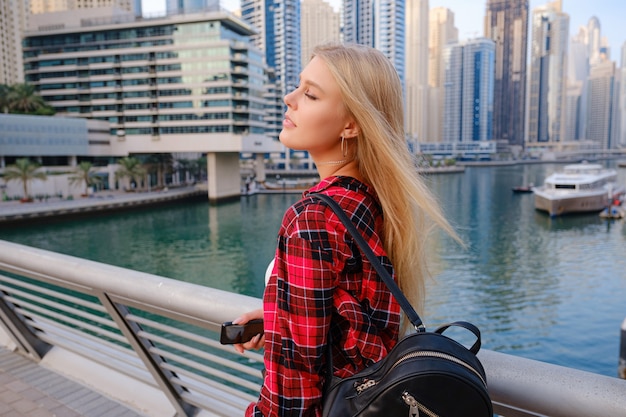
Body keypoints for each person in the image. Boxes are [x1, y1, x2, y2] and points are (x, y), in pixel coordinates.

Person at [232, 43, 459, 417]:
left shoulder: (311, 218)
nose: (289, 99)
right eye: (297, 87)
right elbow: (356, 325)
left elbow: (294, 390)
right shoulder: (372, 204)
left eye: (310, 94)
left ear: (351, 123)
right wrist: (278, 316)